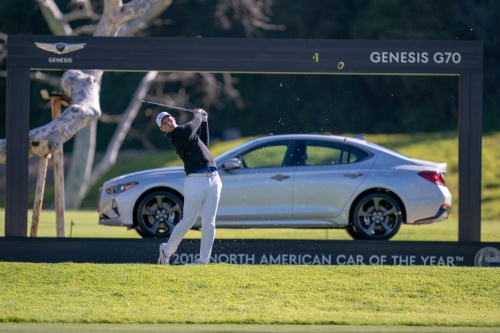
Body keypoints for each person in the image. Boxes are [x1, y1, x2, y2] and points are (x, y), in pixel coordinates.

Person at [156, 108, 222, 265]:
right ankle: (166, 252)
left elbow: (204, 145)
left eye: (169, 119)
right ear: (162, 129)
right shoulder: (176, 134)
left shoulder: (186, 133)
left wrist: (204, 121)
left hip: (214, 179)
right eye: (165, 123)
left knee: (210, 222)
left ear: (173, 118)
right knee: (188, 221)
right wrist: (199, 115)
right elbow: (193, 126)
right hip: (195, 180)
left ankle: (204, 260)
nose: (169, 123)